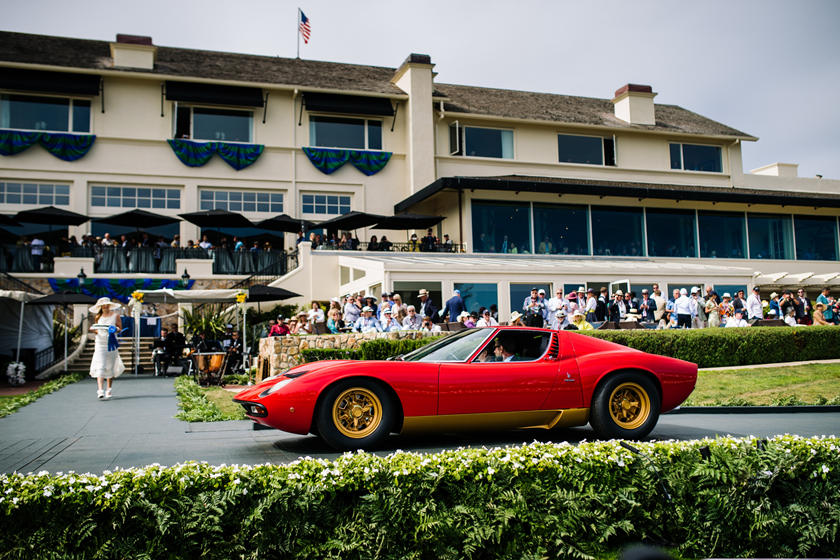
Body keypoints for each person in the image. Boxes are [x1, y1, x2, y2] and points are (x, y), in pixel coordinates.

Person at [89, 297, 124, 398]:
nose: (105, 306)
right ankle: (100, 390)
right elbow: (96, 330)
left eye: (106, 304)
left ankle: (109, 389)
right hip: (100, 343)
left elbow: (120, 329)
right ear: (100, 306)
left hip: (111, 343)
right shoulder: (98, 317)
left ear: (109, 305)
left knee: (110, 366)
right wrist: (94, 330)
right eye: (103, 305)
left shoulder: (115, 316)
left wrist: (115, 330)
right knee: (101, 365)